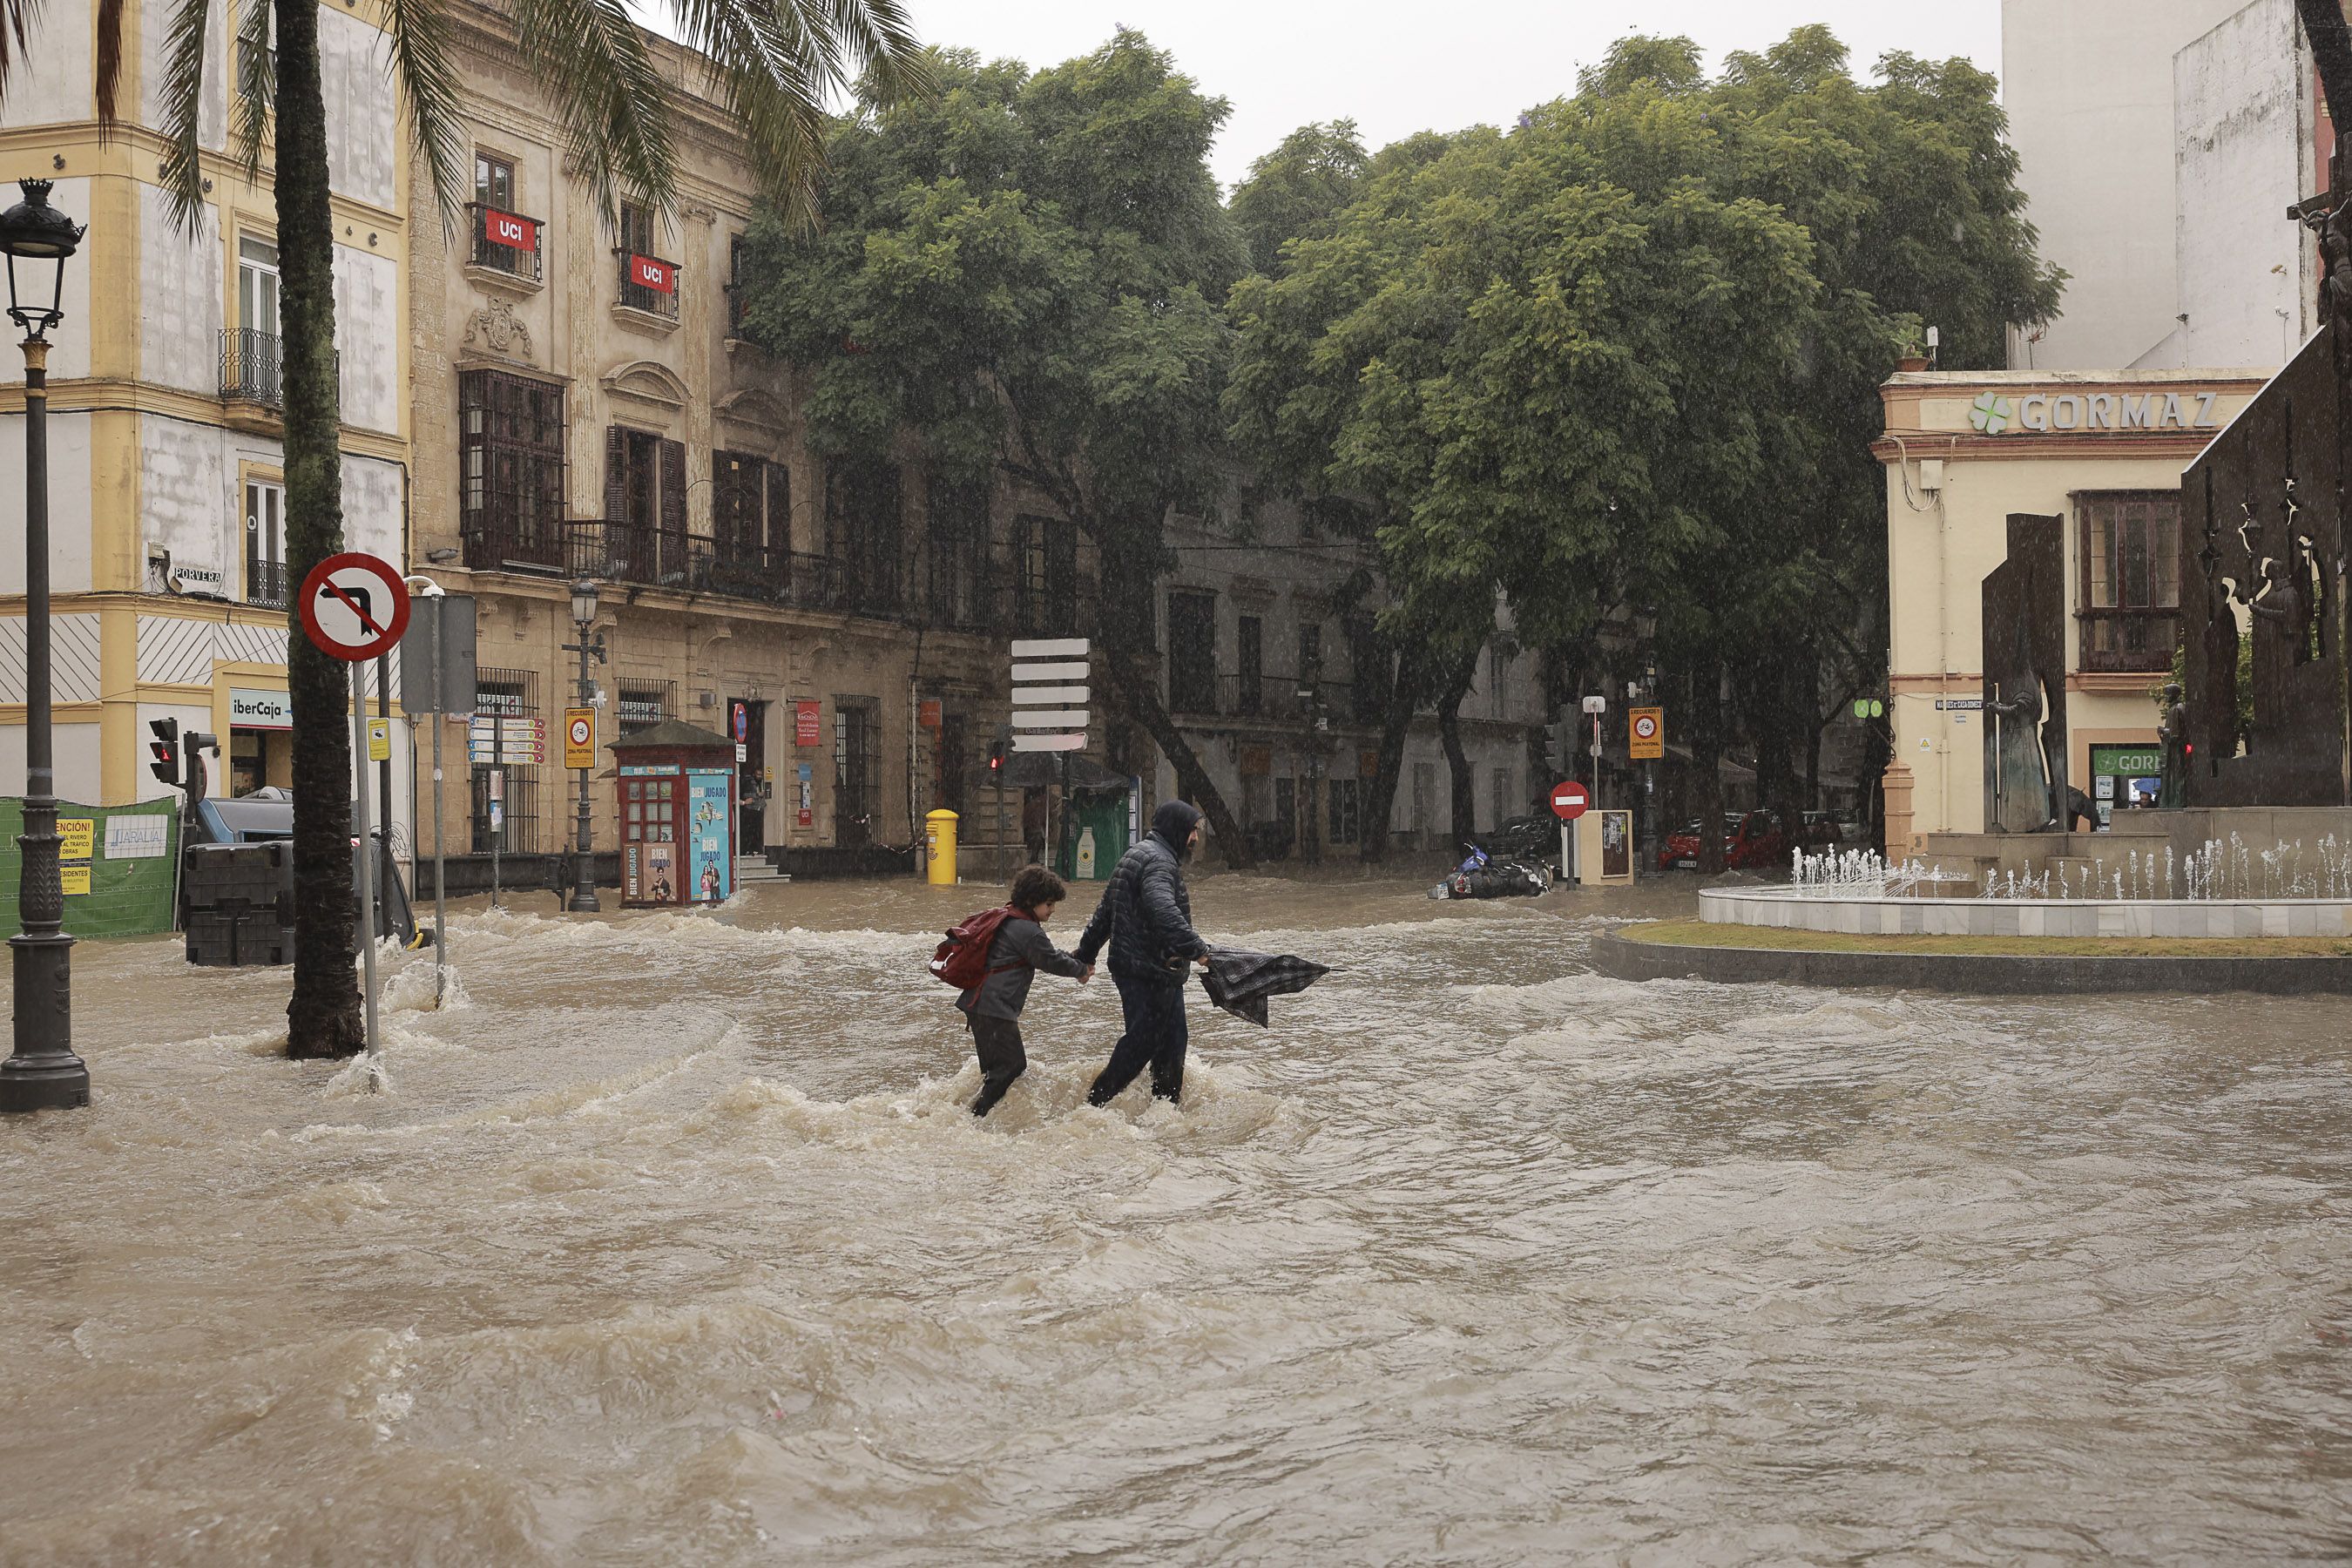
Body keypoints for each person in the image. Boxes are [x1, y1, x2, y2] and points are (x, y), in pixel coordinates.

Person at [1074, 800, 1212, 1107]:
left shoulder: (1137, 854)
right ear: (1177, 830)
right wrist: (1198, 951)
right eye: (1193, 831)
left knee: (1173, 1044)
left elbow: (1106, 912)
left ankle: (1164, 1112)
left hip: (1153, 972)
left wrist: (1086, 955)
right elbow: (1163, 909)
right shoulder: (1159, 863)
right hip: (1147, 972)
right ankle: (1093, 1107)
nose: (1196, 839)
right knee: (1143, 1043)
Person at [957, 864, 1092, 1117]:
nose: (1053, 910)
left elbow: (1043, 954)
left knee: (995, 1071)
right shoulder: (1028, 931)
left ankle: (975, 1116)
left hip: (980, 1005)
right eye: (1049, 904)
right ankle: (976, 1117)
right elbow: (1050, 960)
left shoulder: (1010, 917)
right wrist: (1081, 970)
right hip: (994, 1008)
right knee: (1012, 1067)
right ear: (1032, 900)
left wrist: (1073, 960)